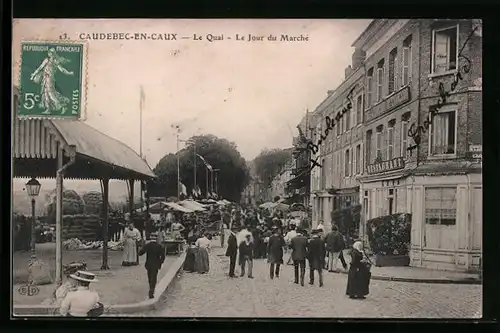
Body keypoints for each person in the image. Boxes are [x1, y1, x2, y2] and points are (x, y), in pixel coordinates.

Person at [138, 232, 165, 299]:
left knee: (149, 277)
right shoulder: (159, 246)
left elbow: (140, 253)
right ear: (156, 238)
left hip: (148, 264)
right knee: (154, 277)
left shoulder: (147, 245)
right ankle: (151, 290)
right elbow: (163, 256)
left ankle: (150, 287)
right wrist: (160, 263)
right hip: (156, 264)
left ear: (150, 238)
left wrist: (140, 248)